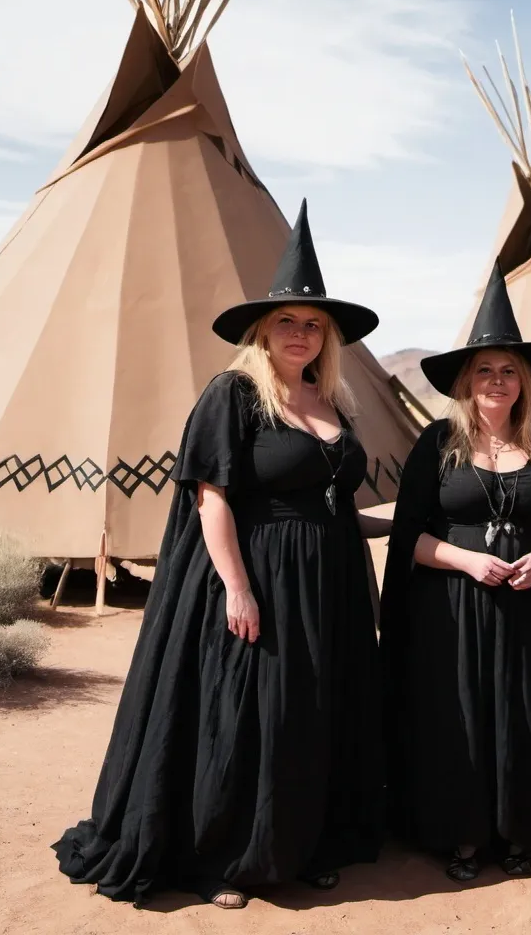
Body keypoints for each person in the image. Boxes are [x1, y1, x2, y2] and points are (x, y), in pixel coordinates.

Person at [53, 201, 390, 909]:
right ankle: (230, 859)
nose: (300, 333)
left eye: (313, 325)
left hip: (328, 581)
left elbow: (334, 502)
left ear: (327, 338)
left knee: (315, 711)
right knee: (252, 711)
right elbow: (212, 499)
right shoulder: (234, 395)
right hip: (260, 574)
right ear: (262, 330)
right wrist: (237, 587)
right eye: (288, 322)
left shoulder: (332, 402)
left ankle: (306, 844)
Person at [380, 261, 531, 883]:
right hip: (453, 613)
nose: (496, 381)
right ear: (465, 383)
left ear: (524, 383)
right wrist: (466, 559)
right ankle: (463, 836)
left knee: (526, 716)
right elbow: (409, 539)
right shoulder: (435, 446)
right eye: (484, 371)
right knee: (460, 720)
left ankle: (525, 832)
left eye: (508, 371)